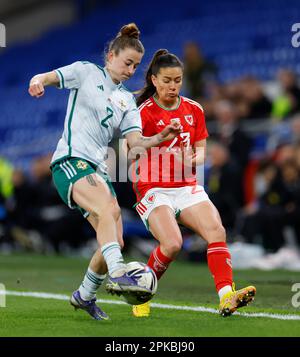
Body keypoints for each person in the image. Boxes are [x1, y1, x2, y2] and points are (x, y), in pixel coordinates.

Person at [28, 24, 181, 320]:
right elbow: (48, 77)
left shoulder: (127, 101)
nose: (130, 70)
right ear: (110, 56)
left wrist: (160, 137)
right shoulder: (86, 72)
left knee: (113, 237)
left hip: (97, 170)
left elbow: (135, 142)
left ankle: (85, 295)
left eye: (136, 66)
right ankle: (121, 272)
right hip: (71, 161)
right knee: (109, 209)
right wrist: (38, 81)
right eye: (127, 62)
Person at [131, 49, 256, 317]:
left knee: (216, 232)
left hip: (186, 186)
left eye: (177, 80)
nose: (172, 86)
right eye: (166, 80)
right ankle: (143, 292)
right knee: (173, 244)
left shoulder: (194, 110)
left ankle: (226, 296)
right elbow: (131, 151)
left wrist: (192, 158)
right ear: (154, 80)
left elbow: (201, 151)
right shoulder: (143, 113)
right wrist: (164, 152)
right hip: (153, 188)